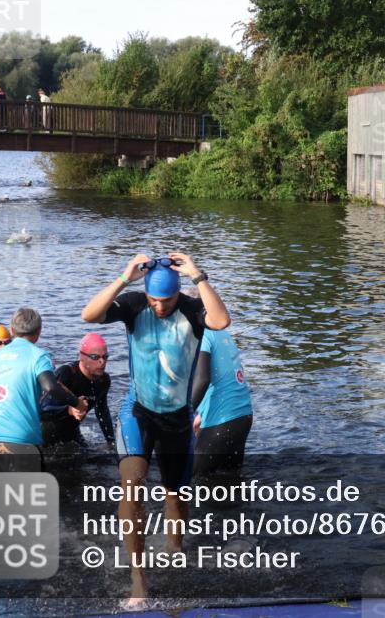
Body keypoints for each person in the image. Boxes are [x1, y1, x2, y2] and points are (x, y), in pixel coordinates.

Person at [81, 252, 230, 605]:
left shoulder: (193, 311)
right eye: (154, 300)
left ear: (177, 295)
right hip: (139, 411)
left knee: (175, 496)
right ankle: (138, 579)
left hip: (177, 417)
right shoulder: (134, 305)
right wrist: (125, 277)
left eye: (166, 300)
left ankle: (175, 552)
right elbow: (90, 314)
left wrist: (198, 276)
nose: (159, 307)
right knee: (132, 482)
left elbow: (222, 321)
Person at [0, 308, 83, 469]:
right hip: (21, 439)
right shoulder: (38, 356)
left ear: (12, 330)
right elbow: (51, 387)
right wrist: (77, 403)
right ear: (39, 332)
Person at [190, 305, 253, 477]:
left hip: (223, 420)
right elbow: (225, 377)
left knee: (189, 482)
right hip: (243, 416)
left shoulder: (202, 334)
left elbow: (203, 379)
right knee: (231, 482)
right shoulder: (223, 333)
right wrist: (201, 414)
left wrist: (184, 415)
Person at [41, 332, 115, 449]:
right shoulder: (67, 373)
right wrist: (69, 410)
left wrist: (111, 441)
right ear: (82, 357)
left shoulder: (103, 381)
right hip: (45, 436)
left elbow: (102, 412)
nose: (102, 362)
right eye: (95, 357)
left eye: (105, 357)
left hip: (72, 435)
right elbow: (42, 412)